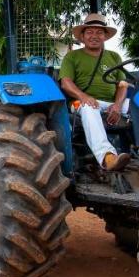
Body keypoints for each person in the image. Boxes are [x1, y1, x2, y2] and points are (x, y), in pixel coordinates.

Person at [58, 12, 131, 172]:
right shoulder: (72, 57)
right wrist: (84, 96)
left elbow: (122, 85)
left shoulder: (114, 56)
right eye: (89, 32)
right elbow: (66, 83)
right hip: (81, 103)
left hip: (111, 103)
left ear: (105, 36)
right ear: (82, 36)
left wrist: (118, 105)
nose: (94, 36)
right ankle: (107, 157)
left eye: (99, 32)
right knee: (88, 107)